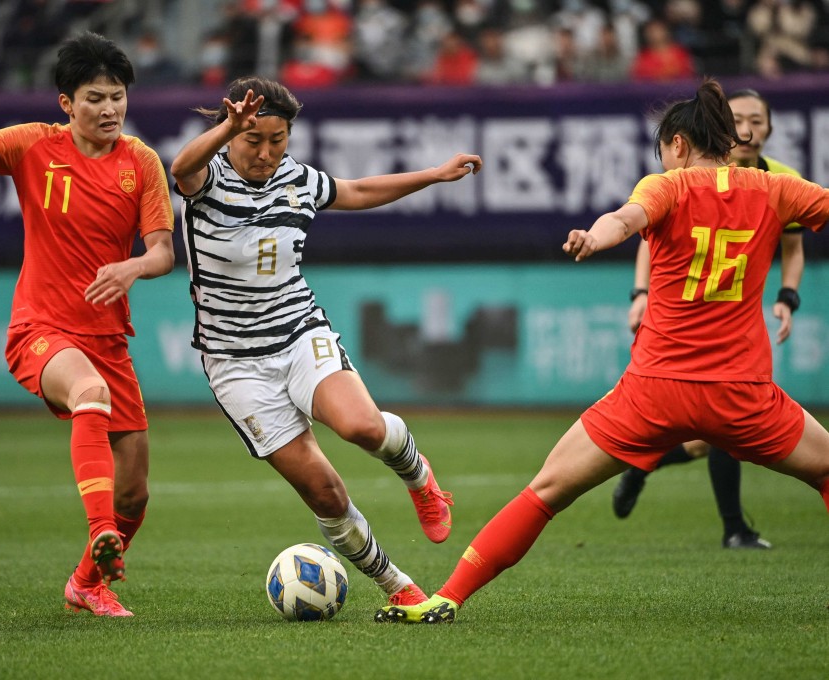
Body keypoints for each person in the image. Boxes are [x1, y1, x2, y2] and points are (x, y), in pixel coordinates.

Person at [376, 78, 829, 625]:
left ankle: (447, 597)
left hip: (654, 394)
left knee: (545, 492)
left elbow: (625, 219)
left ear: (679, 146)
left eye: (662, 149)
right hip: (741, 393)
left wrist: (594, 237)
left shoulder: (669, 186)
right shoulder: (774, 190)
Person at [170, 76, 480, 607]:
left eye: (278, 139)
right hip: (235, 363)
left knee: (361, 425)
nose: (267, 153)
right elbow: (179, 169)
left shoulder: (298, 178)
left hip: (298, 331)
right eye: (253, 140)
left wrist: (434, 175)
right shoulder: (208, 180)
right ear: (231, 134)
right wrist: (226, 128)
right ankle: (398, 588)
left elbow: (356, 191)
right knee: (325, 492)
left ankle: (420, 475)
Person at [0, 32, 175, 617]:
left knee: (135, 491)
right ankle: (100, 530)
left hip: (108, 338)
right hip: (41, 328)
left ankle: (86, 582)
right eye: (95, 98)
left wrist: (131, 268)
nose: (109, 110)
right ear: (66, 104)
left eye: (118, 97)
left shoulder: (143, 162)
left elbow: (162, 253)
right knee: (89, 393)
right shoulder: (32, 146)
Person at [614, 88, 807, 549]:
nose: (747, 128)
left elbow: (793, 249)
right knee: (715, 430)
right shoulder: (679, 184)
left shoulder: (779, 181)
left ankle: (646, 466)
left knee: (711, 436)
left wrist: (787, 296)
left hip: (736, 318)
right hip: (685, 323)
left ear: (770, 129)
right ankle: (732, 526)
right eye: (737, 118)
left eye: (757, 120)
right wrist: (641, 293)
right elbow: (642, 231)